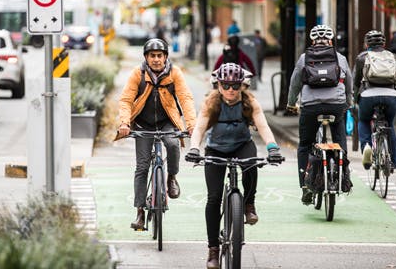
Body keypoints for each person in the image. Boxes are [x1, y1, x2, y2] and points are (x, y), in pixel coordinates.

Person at [185, 63, 282, 269]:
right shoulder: (211, 103)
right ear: (218, 85)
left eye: (235, 86)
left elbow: (263, 125)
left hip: (241, 145)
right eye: (226, 85)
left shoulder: (249, 102)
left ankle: (248, 204)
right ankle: (213, 250)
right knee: (213, 198)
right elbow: (200, 126)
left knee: (252, 165)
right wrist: (194, 149)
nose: (230, 90)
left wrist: (273, 148)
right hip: (215, 149)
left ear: (242, 86)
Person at [116, 38, 197, 230]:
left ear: (165, 57)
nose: (156, 60)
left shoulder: (175, 73)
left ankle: (171, 177)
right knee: (142, 167)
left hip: (167, 121)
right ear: (146, 57)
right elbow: (126, 100)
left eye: (159, 56)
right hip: (143, 124)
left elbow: (185, 98)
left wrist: (192, 124)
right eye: (152, 56)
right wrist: (124, 123)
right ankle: (139, 213)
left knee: (173, 144)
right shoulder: (138, 73)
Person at [286, 24, 353, 204]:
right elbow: (349, 84)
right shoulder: (340, 58)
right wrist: (348, 103)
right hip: (336, 106)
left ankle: (305, 186)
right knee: (339, 139)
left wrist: (291, 103)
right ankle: (343, 175)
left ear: (312, 41)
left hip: (311, 107)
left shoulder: (303, 58)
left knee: (305, 144)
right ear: (331, 41)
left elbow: (295, 84)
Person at [353, 30, 396, 171]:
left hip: (368, 95)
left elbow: (356, 82)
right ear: (384, 43)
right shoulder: (393, 56)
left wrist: (355, 99)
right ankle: (393, 161)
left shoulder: (362, 57)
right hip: (391, 95)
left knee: (363, 120)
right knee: (389, 124)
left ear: (366, 44)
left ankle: (366, 146)